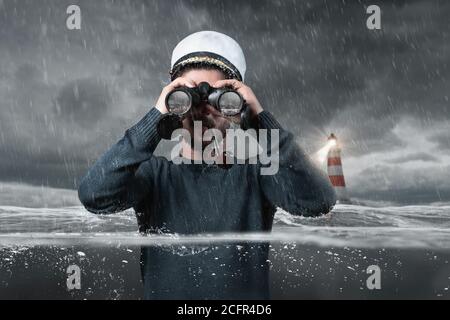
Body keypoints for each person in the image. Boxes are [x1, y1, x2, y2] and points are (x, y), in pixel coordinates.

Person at [78, 31, 336, 299]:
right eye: (189, 94)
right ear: (174, 99)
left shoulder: (258, 174)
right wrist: (155, 119)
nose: (202, 109)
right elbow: (94, 195)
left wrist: (260, 120)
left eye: (218, 97)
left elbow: (318, 202)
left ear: (236, 106)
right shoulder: (154, 175)